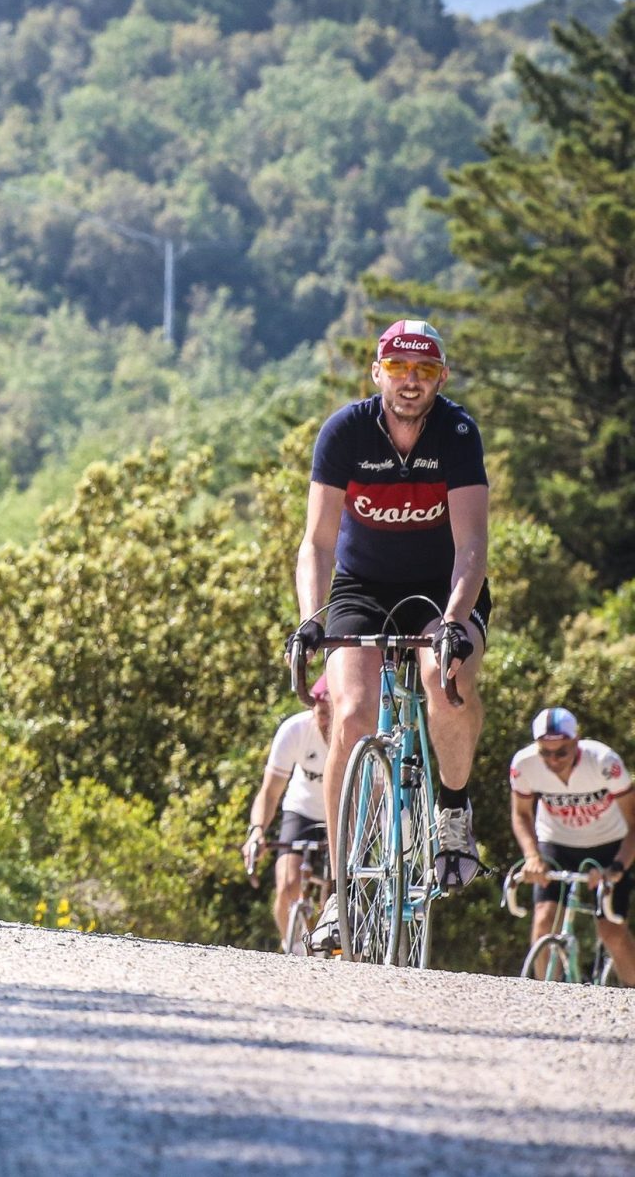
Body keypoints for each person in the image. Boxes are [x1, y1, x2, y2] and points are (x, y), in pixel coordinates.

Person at [292, 319, 490, 950]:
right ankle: (339, 893)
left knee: (444, 676)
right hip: (363, 588)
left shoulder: (456, 433)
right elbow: (318, 543)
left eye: (424, 370)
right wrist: (310, 619)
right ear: (376, 372)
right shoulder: (345, 432)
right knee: (349, 713)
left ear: (441, 379)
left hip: (442, 588)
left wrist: (456, 619)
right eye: (398, 369)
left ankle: (452, 811)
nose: (411, 381)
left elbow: (471, 545)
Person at [506, 705, 635, 983]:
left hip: (609, 845)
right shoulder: (524, 764)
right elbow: (521, 814)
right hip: (557, 844)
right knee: (543, 921)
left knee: (611, 931)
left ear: (576, 742)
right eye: (545, 752)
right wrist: (531, 856)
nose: (553, 760)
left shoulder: (603, 761)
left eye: (561, 752)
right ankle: (545, 995)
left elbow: (634, 822)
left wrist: (616, 868)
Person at [243, 680, 333, 947]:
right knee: (287, 884)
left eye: (333, 713)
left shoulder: (357, 729)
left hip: (342, 813)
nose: (327, 722)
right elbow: (269, 793)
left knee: (335, 896)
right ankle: (291, 946)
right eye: (322, 713)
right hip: (302, 809)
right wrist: (257, 830)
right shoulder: (295, 730)